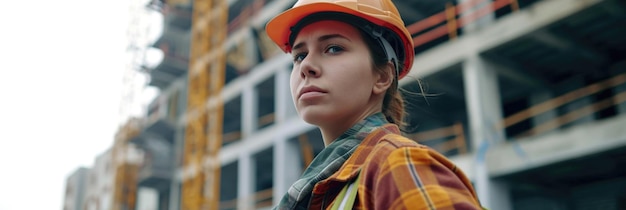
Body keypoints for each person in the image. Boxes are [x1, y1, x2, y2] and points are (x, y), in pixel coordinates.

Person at [265, 0, 483, 209]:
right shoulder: (327, 187)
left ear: (382, 77)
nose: (306, 66)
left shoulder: (399, 163)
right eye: (300, 56)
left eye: (333, 48)